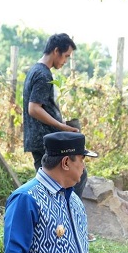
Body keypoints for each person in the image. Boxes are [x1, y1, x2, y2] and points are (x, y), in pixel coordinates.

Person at [23, 33, 87, 196]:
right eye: (66, 56)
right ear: (56, 51)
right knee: (75, 176)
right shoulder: (43, 74)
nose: (65, 61)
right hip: (46, 141)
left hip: (40, 140)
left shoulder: (35, 70)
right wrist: (60, 126)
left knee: (51, 184)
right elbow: (34, 108)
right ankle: (67, 210)